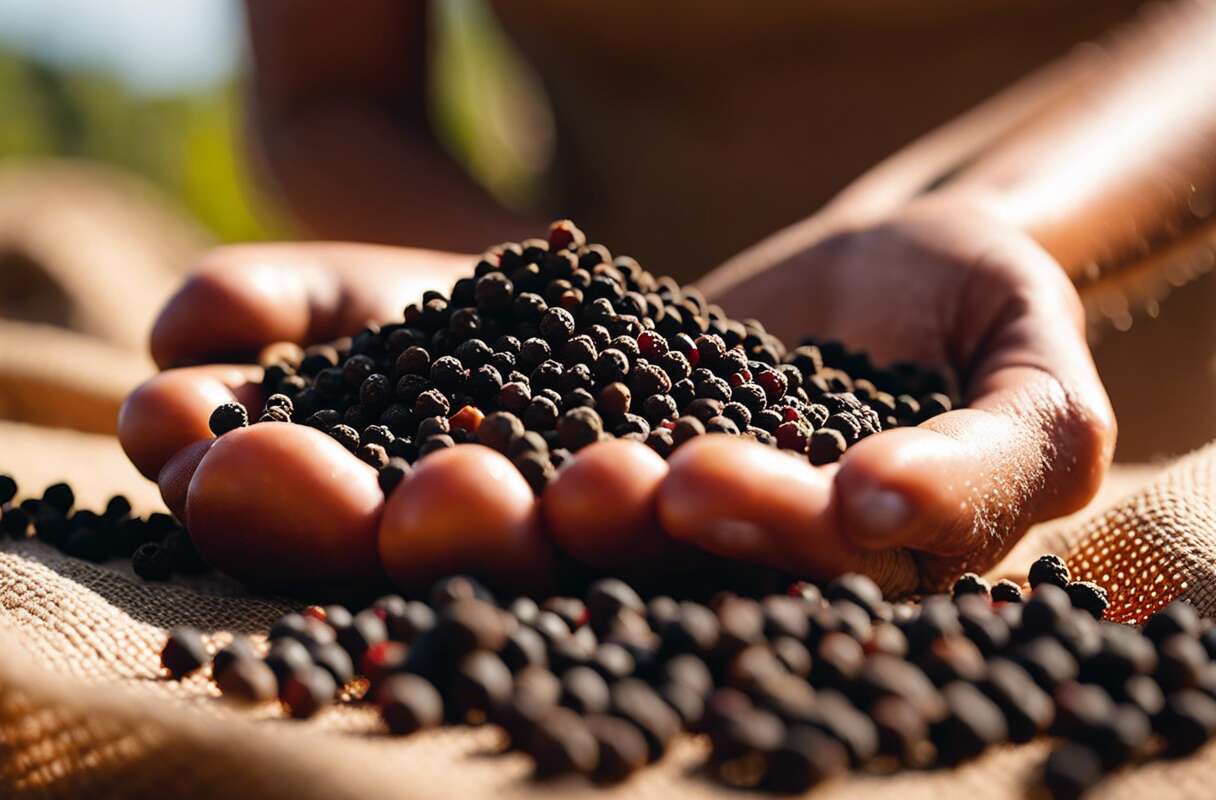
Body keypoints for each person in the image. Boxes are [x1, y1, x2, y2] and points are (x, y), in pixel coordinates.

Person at [118, 1, 1216, 594]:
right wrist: (541, 286)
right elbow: (332, 98)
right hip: (595, 289)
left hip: (1154, 397)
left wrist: (1007, 216)